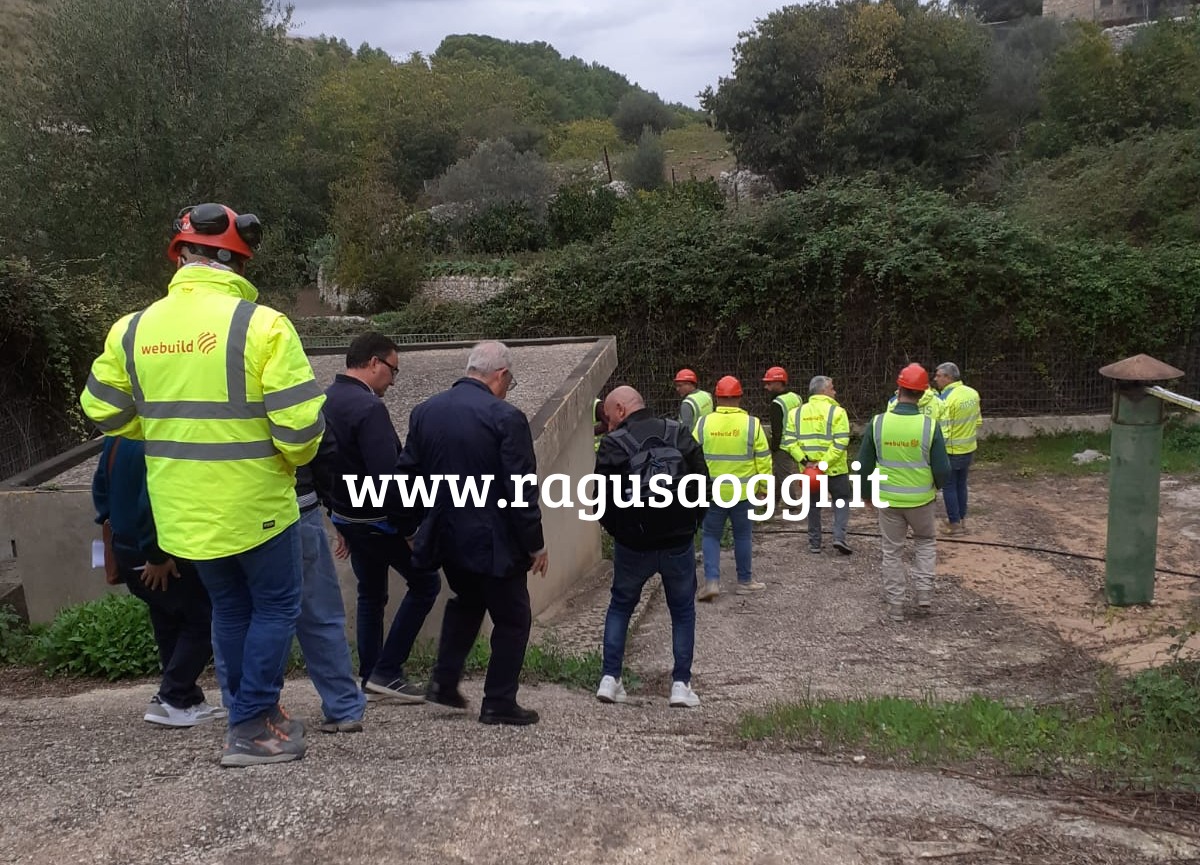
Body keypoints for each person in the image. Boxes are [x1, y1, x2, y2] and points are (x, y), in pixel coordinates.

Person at [81, 202, 325, 767]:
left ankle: (249, 711)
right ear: (238, 260)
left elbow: (103, 409)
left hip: (182, 513)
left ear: (181, 257)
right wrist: (290, 459)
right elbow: (300, 429)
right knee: (275, 608)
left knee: (230, 610)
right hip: (257, 504)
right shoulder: (261, 325)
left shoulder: (134, 328)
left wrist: (159, 428)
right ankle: (251, 724)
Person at [399, 341, 548, 726]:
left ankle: (444, 683)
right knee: (514, 619)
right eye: (508, 382)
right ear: (500, 376)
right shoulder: (506, 417)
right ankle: (498, 701)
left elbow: (406, 476)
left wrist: (412, 527)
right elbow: (521, 488)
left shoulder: (425, 412)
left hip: (446, 537)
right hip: (494, 540)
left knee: (466, 601)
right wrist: (535, 543)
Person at [322, 332, 439, 702]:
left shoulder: (325, 399)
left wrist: (335, 516)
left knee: (371, 593)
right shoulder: (369, 408)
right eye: (392, 370)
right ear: (373, 363)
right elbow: (388, 478)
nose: (392, 379)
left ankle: (371, 674)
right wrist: (408, 528)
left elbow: (319, 462)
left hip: (346, 518)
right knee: (426, 584)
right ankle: (387, 672)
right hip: (378, 521)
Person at [91, 435, 225, 728]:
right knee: (204, 618)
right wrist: (157, 554)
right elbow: (152, 497)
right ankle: (174, 695)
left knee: (167, 618)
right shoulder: (158, 440)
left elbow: (101, 488)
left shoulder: (117, 437)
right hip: (158, 551)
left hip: (124, 545)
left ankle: (184, 697)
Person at [593, 386, 708, 708]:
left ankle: (609, 679)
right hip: (677, 543)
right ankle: (681, 686)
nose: (608, 423)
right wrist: (690, 527)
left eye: (608, 416)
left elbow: (600, 500)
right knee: (682, 613)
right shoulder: (679, 433)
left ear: (619, 409)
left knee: (620, 607)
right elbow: (703, 484)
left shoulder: (613, 444)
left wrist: (622, 533)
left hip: (633, 544)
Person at [857, 363, 951, 622]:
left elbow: (863, 466)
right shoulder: (929, 427)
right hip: (921, 500)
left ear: (898, 390)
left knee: (892, 550)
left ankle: (896, 605)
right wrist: (935, 487)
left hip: (888, 501)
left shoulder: (878, 423)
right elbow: (943, 469)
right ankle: (924, 596)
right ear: (923, 394)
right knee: (924, 543)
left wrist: (866, 494)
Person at [294, 421, 368, 733]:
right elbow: (319, 442)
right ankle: (343, 706)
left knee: (234, 614)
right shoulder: (278, 372)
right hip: (291, 505)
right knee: (319, 612)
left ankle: (247, 713)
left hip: (215, 513)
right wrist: (330, 502)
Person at [694, 375, 773, 601]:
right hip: (743, 493)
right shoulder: (752, 424)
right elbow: (764, 459)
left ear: (717, 398)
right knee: (742, 536)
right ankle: (745, 582)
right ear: (740, 397)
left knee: (710, 535)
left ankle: (711, 581)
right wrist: (764, 487)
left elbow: (691, 456)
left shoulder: (703, 424)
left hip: (712, 493)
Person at [784, 376, 853, 556]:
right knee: (842, 500)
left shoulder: (795, 413)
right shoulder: (837, 412)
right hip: (835, 469)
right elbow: (841, 442)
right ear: (823, 391)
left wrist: (807, 462)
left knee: (813, 505)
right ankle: (839, 537)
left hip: (809, 472)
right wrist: (823, 464)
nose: (834, 391)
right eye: (832, 388)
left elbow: (789, 442)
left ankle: (814, 543)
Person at [934, 362, 982, 535]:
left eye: (938, 375)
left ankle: (954, 524)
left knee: (949, 486)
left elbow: (943, 430)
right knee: (961, 485)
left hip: (951, 450)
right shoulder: (972, 393)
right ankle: (961, 520)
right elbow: (978, 421)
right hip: (969, 448)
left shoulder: (945, 399)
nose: (935, 379)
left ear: (948, 377)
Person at [762, 366, 802, 512]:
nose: (767, 387)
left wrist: (774, 447)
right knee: (778, 472)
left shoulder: (777, 403)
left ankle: (792, 503)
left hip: (783, 445)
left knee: (784, 474)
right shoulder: (796, 397)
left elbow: (777, 429)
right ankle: (772, 501)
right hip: (796, 441)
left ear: (779, 383)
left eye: (769, 383)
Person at [673, 368, 714, 435]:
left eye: (680, 386)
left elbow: (686, 432)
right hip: (709, 436)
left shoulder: (687, 404)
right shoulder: (707, 395)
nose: (677, 389)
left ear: (689, 384)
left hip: (696, 441)